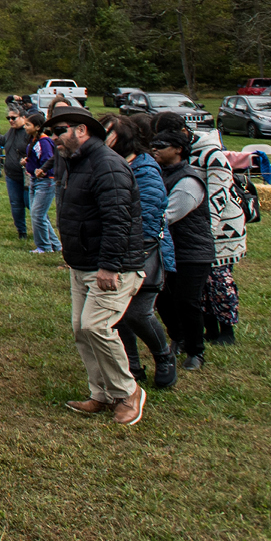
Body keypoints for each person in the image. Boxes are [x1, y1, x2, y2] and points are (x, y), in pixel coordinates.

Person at [48, 104, 147, 425]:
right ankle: (101, 394)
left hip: (112, 268)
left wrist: (109, 266)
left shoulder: (107, 165)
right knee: (82, 330)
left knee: (96, 327)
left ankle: (128, 391)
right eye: (51, 132)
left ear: (82, 130)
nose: (54, 138)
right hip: (83, 264)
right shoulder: (74, 163)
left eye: (60, 131)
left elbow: (118, 220)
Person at [108, 113, 175, 390]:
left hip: (145, 253)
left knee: (138, 313)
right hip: (118, 251)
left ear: (123, 139)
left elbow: (146, 221)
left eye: (108, 132)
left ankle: (164, 357)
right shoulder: (112, 165)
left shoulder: (145, 170)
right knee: (118, 313)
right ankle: (132, 367)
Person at [151, 129, 214, 374]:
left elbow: (167, 216)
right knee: (164, 298)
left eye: (161, 144)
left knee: (187, 302)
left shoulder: (189, 180)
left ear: (178, 149)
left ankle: (196, 351)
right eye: (153, 144)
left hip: (192, 252)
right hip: (169, 250)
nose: (154, 148)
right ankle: (178, 338)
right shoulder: (159, 174)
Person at [26, 115, 62, 255]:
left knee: (38, 214)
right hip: (35, 181)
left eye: (28, 125)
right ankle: (56, 245)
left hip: (45, 182)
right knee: (41, 215)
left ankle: (44, 246)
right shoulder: (34, 140)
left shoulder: (44, 142)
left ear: (37, 127)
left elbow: (47, 160)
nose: (25, 127)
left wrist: (41, 170)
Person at [0, 105, 36, 239]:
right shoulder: (11, 132)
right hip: (12, 175)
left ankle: (43, 230)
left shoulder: (28, 133)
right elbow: (3, 141)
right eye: (8, 118)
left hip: (27, 175)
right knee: (15, 204)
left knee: (30, 203)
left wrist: (29, 160)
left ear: (23, 117)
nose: (10, 120)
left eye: (14, 118)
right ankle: (22, 232)